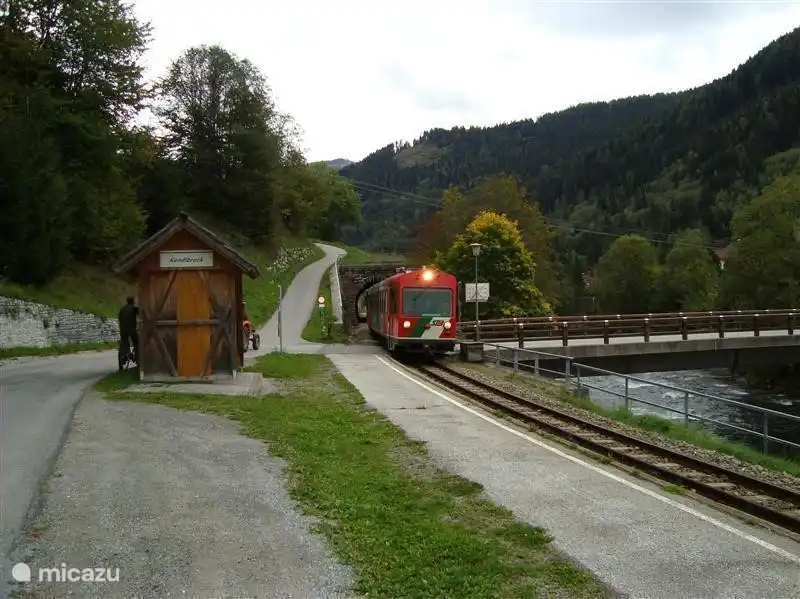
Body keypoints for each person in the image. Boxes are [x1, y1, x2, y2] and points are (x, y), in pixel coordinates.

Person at [118, 296, 139, 370]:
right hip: (132, 329)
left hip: (123, 329)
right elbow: (141, 315)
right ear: (133, 302)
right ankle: (138, 358)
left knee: (124, 343)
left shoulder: (122, 309)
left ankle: (123, 356)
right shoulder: (134, 308)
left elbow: (119, 318)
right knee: (137, 343)